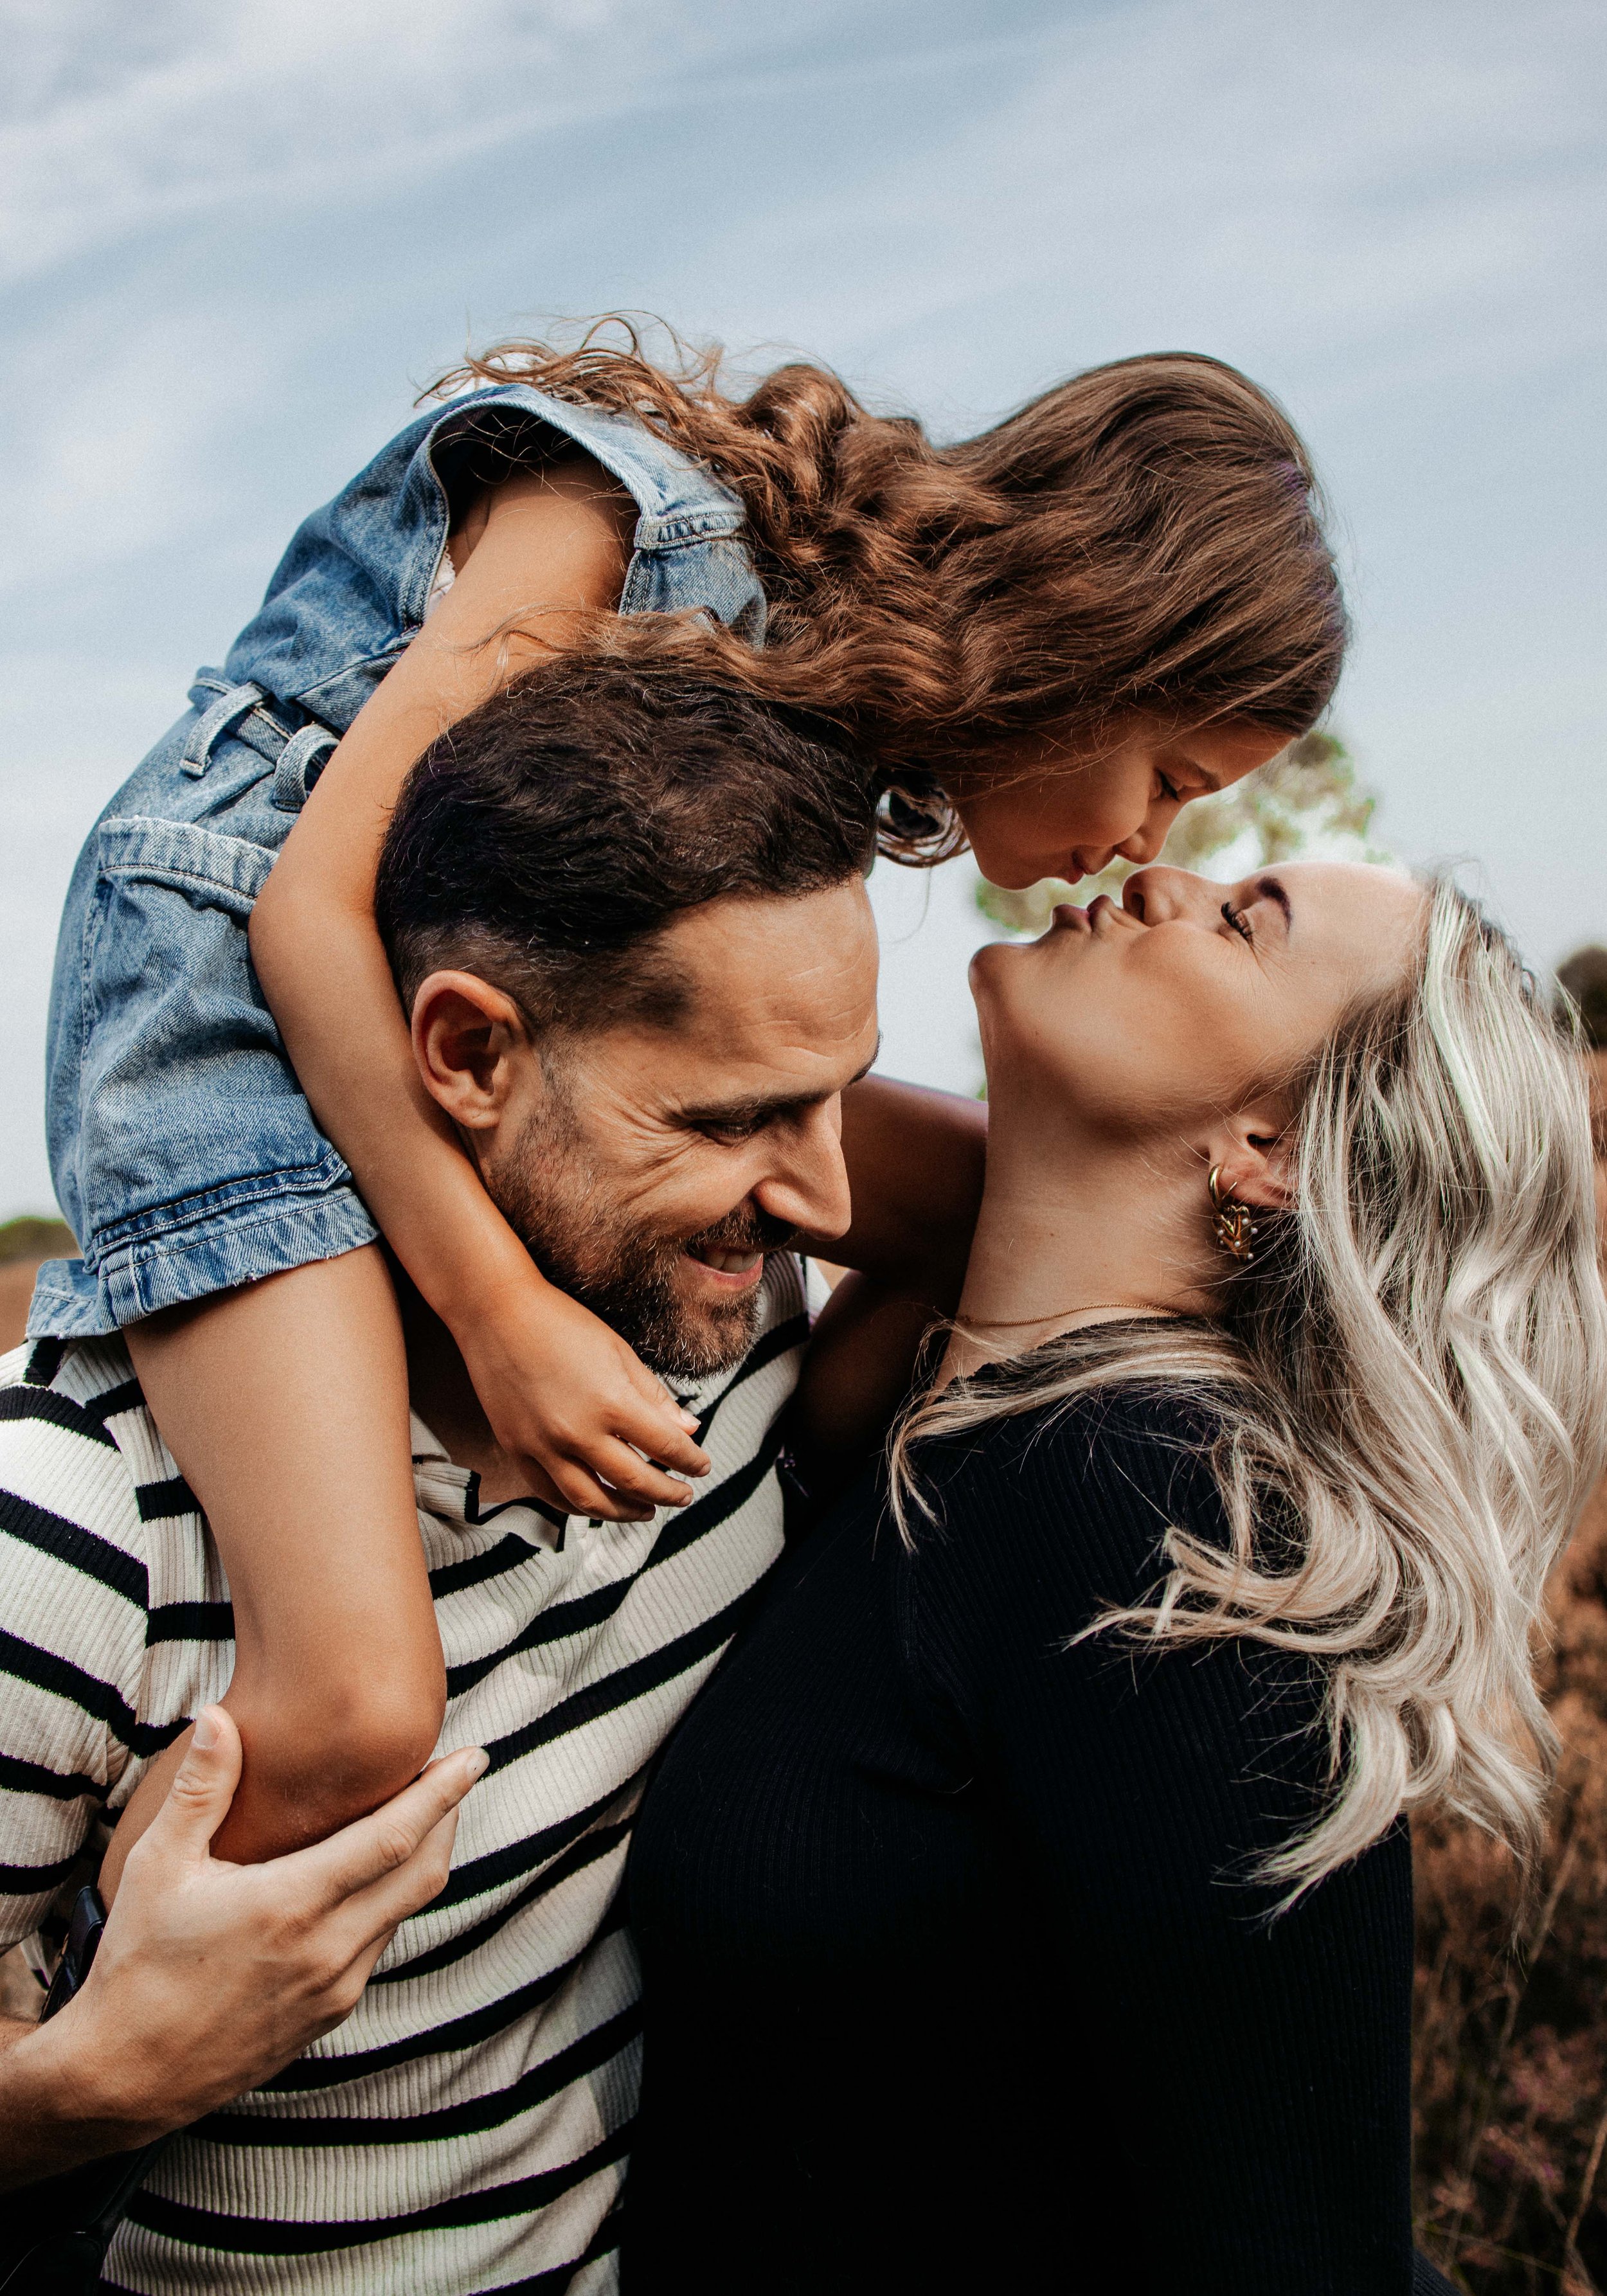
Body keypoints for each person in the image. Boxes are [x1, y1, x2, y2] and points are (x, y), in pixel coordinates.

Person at [31, 325, 1343, 1865]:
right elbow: (311, 916)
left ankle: (773, 1516)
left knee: (991, 1197)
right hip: (234, 998)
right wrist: (497, 1314)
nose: (1148, 845)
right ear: (1086, 637)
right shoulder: (622, 522)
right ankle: (82, 2010)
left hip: (478, 1016)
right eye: (1175, 778)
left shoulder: (835, 722)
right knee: (355, 1706)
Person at [1, 662, 970, 2292]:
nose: (818, 1198)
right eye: (735, 1117)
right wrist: (90, 2090)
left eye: (838, 1097)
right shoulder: (72, 1527)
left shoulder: (727, 1365)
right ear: (464, 1052)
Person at [623, 861, 1607, 2293]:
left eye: (1240, 921)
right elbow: (632, 1081)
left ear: (1266, 1145)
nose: (1158, 868)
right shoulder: (943, 1412)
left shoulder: (1170, 1529)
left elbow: (1297, 2259)